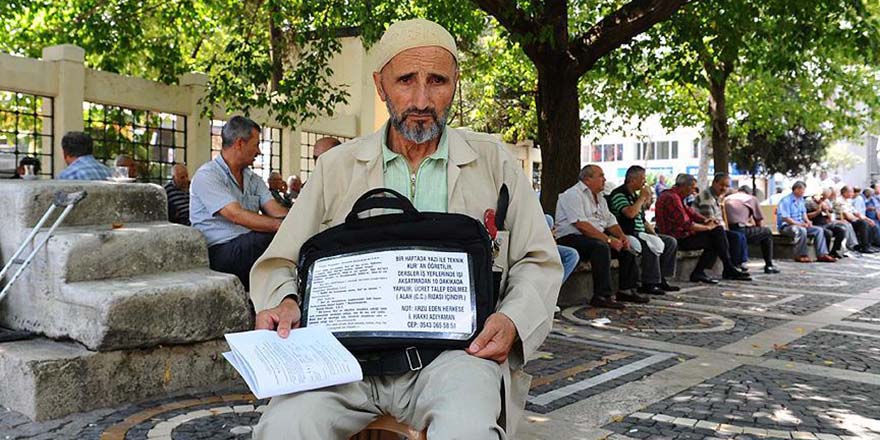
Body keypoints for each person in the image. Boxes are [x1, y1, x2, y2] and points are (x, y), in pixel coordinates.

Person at [249, 19, 562, 439]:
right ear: (380, 85)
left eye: (437, 81)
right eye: (405, 80)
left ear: (455, 83)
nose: (421, 99)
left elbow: (537, 261)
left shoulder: (494, 162)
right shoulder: (336, 167)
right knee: (286, 427)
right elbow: (281, 261)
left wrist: (511, 319)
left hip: (455, 358)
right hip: (345, 359)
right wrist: (285, 300)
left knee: (466, 430)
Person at [190, 116, 289, 290]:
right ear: (239, 143)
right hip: (219, 251)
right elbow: (236, 215)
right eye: (256, 144)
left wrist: (302, 218)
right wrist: (284, 227)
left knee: (292, 238)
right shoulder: (207, 175)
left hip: (248, 244)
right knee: (273, 239)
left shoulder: (253, 178)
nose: (259, 151)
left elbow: (275, 209)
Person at [555, 165, 649, 309]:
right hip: (571, 237)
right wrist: (609, 240)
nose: (604, 179)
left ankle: (626, 290)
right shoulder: (573, 194)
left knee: (626, 248)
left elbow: (610, 221)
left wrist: (622, 236)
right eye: (601, 176)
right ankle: (601, 295)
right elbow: (581, 225)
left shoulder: (600, 197)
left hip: (593, 237)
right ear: (587, 179)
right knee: (601, 248)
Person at [655, 174, 751, 284]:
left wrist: (706, 220)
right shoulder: (672, 197)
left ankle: (718, 269)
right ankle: (724, 268)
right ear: (686, 186)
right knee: (717, 236)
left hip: (683, 234)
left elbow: (691, 213)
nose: (694, 192)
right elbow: (686, 223)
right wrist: (707, 227)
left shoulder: (677, 196)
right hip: (676, 237)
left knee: (718, 236)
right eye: (693, 188)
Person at [608, 165, 680, 295]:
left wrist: (655, 234)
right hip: (629, 232)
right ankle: (649, 282)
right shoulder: (619, 194)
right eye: (642, 178)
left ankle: (661, 278)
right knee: (649, 245)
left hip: (641, 232)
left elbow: (643, 220)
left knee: (670, 242)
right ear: (632, 179)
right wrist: (642, 198)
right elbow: (630, 213)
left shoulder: (635, 196)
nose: (644, 182)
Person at [697, 173, 750, 272]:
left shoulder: (716, 197)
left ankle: (736, 265)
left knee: (739, 236)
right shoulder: (706, 197)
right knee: (734, 237)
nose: (724, 188)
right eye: (722, 185)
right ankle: (730, 267)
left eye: (727, 186)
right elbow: (709, 220)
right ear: (714, 183)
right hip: (704, 230)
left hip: (715, 228)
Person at [723, 185, 779, 273]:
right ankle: (769, 265)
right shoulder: (751, 199)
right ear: (749, 192)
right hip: (739, 229)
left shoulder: (727, 198)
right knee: (766, 232)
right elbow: (759, 221)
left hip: (727, 229)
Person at [777, 181, 836, 263]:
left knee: (818, 230)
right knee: (802, 230)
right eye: (803, 190)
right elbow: (786, 218)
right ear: (796, 190)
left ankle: (822, 254)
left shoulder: (800, 200)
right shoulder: (786, 201)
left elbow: (804, 213)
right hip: (787, 226)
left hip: (800, 224)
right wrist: (800, 224)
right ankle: (801, 255)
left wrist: (808, 222)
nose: (804, 192)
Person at [805, 189, 851, 258]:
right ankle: (825, 253)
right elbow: (808, 216)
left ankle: (834, 251)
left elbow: (830, 217)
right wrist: (818, 210)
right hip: (816, 224)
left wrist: (826, 210)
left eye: (826, 197)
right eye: (823, 196)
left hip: (826, 223)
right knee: (828, 233)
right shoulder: (809, 202)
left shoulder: (825, 202)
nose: (824, 198)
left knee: (841, 230)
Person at [836, 185, 880, 251]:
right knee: (863, 223)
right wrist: (860, 219)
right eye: (850, 192)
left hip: (853, 219)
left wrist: (868, 219)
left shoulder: (849, 201)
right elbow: (847, 215)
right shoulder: (839, 201)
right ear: (844, 192)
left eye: (852, 192)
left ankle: (869, 245)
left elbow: (856, 213)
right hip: (845, 220)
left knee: (871, 224)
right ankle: (864, 247)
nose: (852, 194)